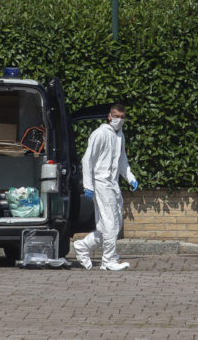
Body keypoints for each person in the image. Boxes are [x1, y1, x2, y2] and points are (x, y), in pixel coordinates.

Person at [73, 104, 138, 271]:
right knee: (110, 223)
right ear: (109, 116)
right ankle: (109, 260)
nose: (119, 120)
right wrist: (88, 186)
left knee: (112, 225)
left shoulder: (120, 135)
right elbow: (87, 160)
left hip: (113, 184)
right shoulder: (100, 134)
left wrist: (131, 178)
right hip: (101, 183)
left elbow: (122, 160)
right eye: (116, 116)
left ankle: (82, 246)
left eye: (122, 117)